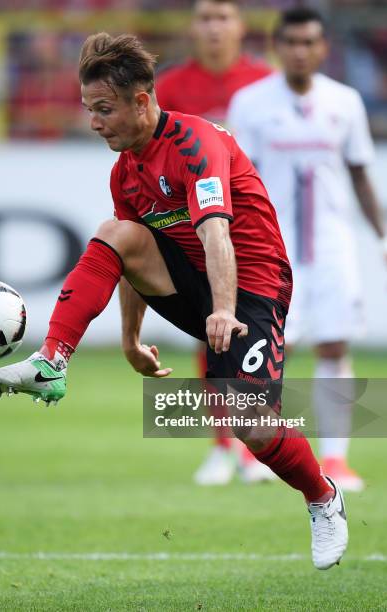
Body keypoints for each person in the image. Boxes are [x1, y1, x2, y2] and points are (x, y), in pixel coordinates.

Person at [0, 32, 348, 570]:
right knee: (118, 232)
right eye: (89, 110)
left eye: (104, 109)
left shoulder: (195, 145)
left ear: (143, 102)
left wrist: (223, 310)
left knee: (250, 420)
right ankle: (51, 360)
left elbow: (217, 233)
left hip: (253, 285)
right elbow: (129, 259)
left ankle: (323, 498)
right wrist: (130, 339)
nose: (94, 122)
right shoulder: (125, 171)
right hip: (196, 281)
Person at [227, 7, 387, 492]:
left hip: (333, 248)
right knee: (272, 346)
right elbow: (237, 180)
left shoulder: (345, 102)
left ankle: (336, 459)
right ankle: (252, 447)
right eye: (292, 42)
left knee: (336, 344)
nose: (301, 51)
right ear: (278, 46)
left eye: (310, 42)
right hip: (271, 249)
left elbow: (360, 172)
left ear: (323, 48)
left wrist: (384, 239)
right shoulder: (250, 103)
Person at [157, 0, 275, 486]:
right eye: (205, 18)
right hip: (200, 229)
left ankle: (256, 446)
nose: (213, 28)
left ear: (241, 26)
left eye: (223, 17)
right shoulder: (170, 89)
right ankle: (223, 444)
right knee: (214, 333)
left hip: (255, 227)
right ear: (193, 26)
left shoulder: (265, 85)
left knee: (263, 335)